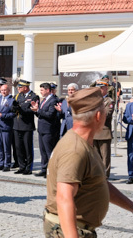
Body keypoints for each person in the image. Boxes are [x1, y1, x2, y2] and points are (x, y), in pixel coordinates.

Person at [44, 87, 133, 237]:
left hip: (81, 229)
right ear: (98, 116)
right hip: (70, 230)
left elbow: (99, 182)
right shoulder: (75, 149)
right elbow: (64, 198)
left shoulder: (84, 142)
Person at [31, 83, 60, 178]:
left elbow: (50, 115)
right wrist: (36, 111)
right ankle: (44, 169)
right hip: (41, 129)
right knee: (43, 151)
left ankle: (51, 171)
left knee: (49, 151)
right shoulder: (44, 100)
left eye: (42, 90)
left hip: (49, 130)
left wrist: (38, 110)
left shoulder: (53, 100)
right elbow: (41, 115)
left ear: (48, 90)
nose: (41, 92)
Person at [12, 79, 39, 175]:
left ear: (26, 87)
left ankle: (28, 167)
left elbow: (32, 110)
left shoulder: (34, 97)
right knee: (18, 148)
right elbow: (13, 109)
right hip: (17, 125)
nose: (18, 88)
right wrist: (14, 108)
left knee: (27, 148)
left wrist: (21, 109)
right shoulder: (18, 96)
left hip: (27, 125)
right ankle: (21, 166)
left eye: (20, 87)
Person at [93, 79, 114, 178]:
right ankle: (97, 175)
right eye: (98, 88)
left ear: (106, 88)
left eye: (101, 88)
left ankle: (105, 176)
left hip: (104, 132)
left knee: (105, 157)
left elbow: (106, 114)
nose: (99, 90)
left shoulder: (109, 101)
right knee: (96, 157)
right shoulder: (95, 100)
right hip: (94, 133)